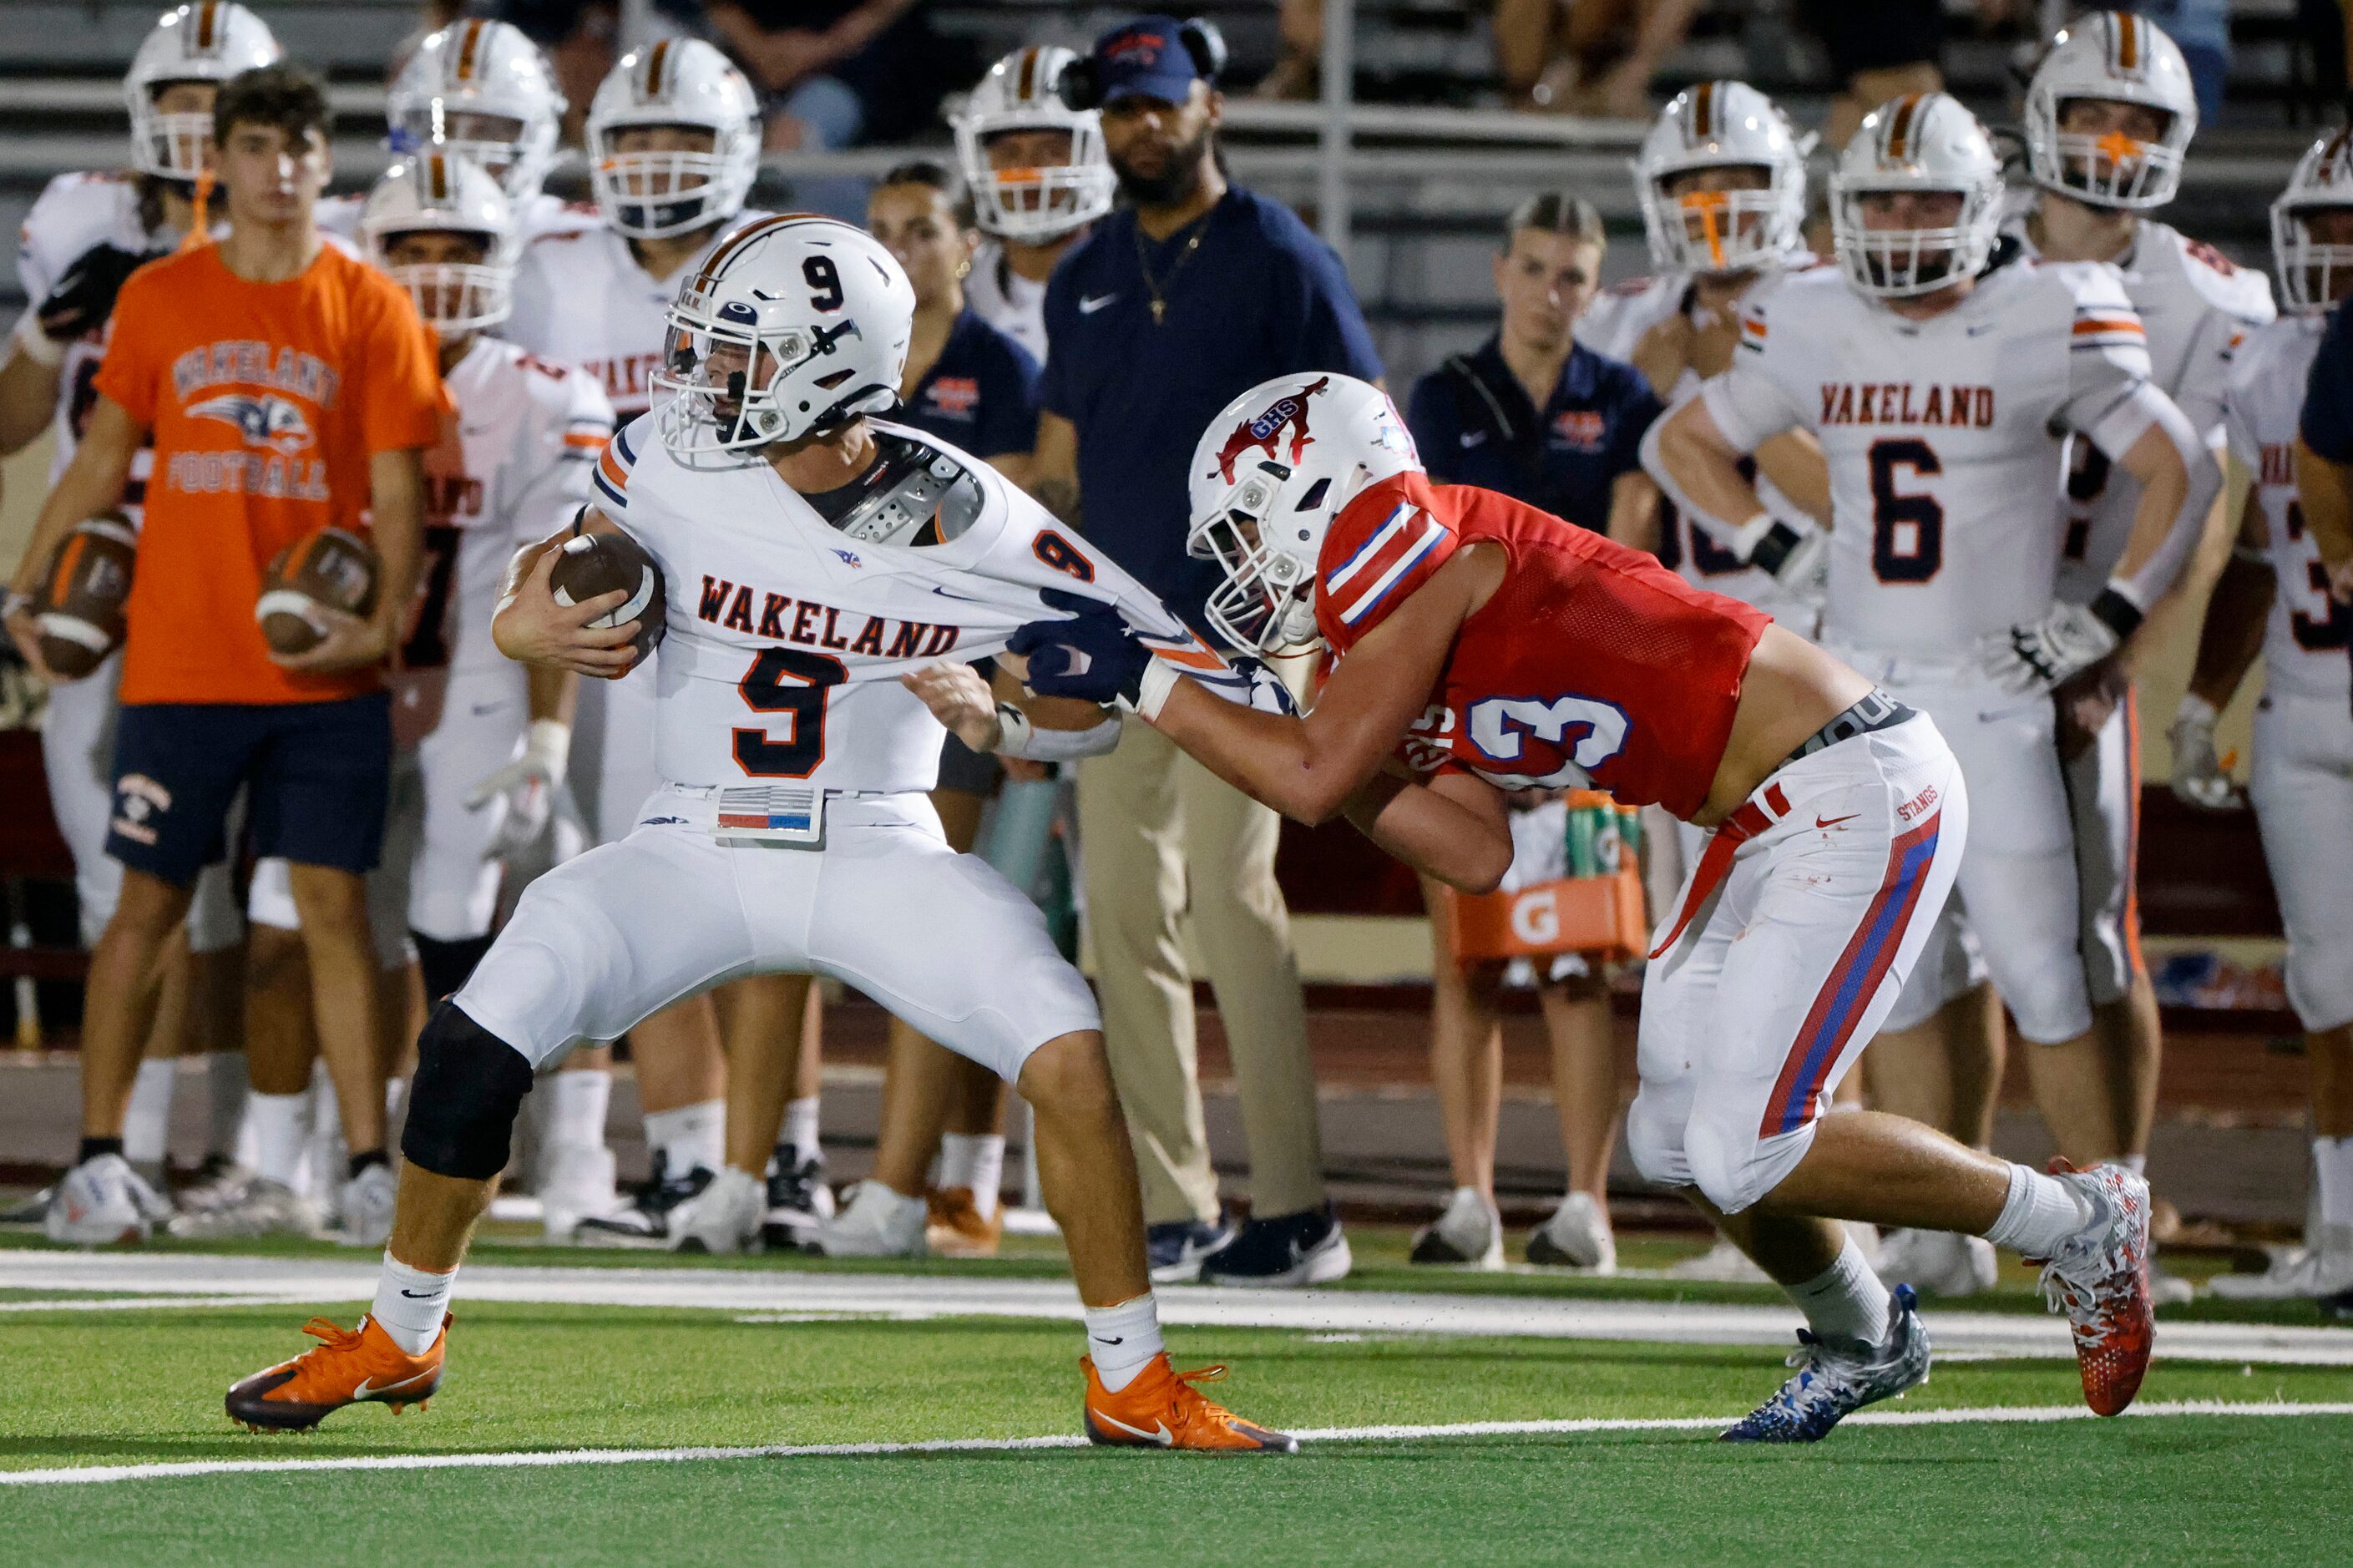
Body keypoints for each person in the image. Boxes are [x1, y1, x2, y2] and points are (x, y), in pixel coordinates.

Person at [222, 215, 1298, 1456]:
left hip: (875, 846)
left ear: (832, 363)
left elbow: (1138, 665)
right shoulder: (665, 455)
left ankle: (1132, 1377)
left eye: (741, 355)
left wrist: (1014, 712)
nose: (706, 379)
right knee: (475, 1035)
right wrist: (528, 627)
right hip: (688, 841)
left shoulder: (968, 516)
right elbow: (561, 568)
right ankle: (401, 1332)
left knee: (1065, 1054)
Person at [992, 368, 2157, 1439]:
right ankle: (1864, 1336)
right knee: (1671, 1140)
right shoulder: (1387, 611)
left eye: (1249, 526)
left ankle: (2076, 1221)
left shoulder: (1418, 560)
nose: (1245, 562)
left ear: (1318, 491)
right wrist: (1329, 753)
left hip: (1853, 782)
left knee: (1747, 1145)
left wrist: (1157, 684)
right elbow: (1469, 848)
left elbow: (1303, 779)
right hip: (1761, 816)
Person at [1647, 94, 2221, 1197]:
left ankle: (2115, 1229)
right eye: (1879, 199)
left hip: (1990, 688)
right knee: (1901, 986)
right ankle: (1935, 1237)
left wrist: (2101, 620)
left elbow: (2179, 467)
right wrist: (1784, 548)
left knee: (2046, 977)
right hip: (1864, 697)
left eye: (1926, 198)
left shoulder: (2049, 308)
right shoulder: (1813, 314)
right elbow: (1680, 441)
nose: (1903, 220)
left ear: (1981, 205)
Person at [3, 63, 444, 1247]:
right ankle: (102, 1161)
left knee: (335, 912)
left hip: (320, 673)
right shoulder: (158, 297)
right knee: (143, 907)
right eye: (256, 146)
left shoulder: (370, 303)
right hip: (182, 660)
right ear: (224, 160)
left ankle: (362, 1166)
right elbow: (98, 463)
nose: (279, 169)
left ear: (324, 163)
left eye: (300, 148)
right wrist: (23, 590)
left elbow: (401, 489)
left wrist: (385, 618)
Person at [1875, 14, 2270, 1297]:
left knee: (2088, 945)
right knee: (1931, 945)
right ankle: (1951, 1207)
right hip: (1943, 641)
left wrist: (2117, 650)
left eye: (2139, 124)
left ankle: (2115, 1212)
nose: (2107, 146)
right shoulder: (1956, 247)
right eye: (2089, 116)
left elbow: (2210, 497)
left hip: (2080, 649)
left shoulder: (2213, 299)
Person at [181, 156, 621, 1240]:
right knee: (284, 924)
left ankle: (423, 1165)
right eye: (410, 250)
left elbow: (559, 572)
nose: (432, 272)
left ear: (501, 259)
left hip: (472, 669)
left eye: (458, 248)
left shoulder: (545, 393)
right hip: (336, 677)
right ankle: (277, 1161)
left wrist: (550, 728)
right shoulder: (319, 370)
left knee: (445, 931)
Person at [1030, 14, 1383, 1287]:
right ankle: (1174, 1205)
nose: (1141, 128)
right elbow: (1061, 470)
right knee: (1120, 918)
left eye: (1159, 105)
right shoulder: (1079, 276)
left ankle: (1294, 1207)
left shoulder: (1280, 255)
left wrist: (1342, 628)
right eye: (1121, 110)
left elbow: (1363, 439)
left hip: (1250, 636)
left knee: (1232, 902)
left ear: (1209, 108)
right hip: (1117, 639)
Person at [505, 37, 815, 1249]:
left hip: (759, 618)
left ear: (733, 147)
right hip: (608, 619)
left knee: (771, 895)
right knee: (650, 880)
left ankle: (777, 1161)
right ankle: (695, 1162)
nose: (652, 163)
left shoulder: (788, 264)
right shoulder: (553, 260)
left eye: (681, 138)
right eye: (634, 137)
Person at [0, 1, 276, 1202]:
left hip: (245, 568)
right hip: (110, 572)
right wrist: (49, 326)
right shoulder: (83, 220)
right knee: (126, 875)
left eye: (224, 108)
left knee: (242, 882)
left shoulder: (309, 236)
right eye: (180, 104)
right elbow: (18, 425)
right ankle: (137, 1154)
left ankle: (238, 1151)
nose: (201, 130)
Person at [1399, 192, 1659, 1270]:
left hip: (1584, 711)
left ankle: (1584, 1203)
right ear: (1500, 271)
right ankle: (1470, 1198)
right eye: (1537, 268)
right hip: (1465, 703)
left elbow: (1633, 558)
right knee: (1466, 958)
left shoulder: (1623, 396)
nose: (1553, 292)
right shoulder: (1442, 395)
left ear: (1593, 290)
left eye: (1574, 276)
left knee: (1577, 960)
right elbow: (1414, 553)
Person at [814, 159, 1043, 1257]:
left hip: (953, 673)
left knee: (937, 922)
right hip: (850, 668)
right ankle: (926, 1183)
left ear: (966, 246)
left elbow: (971, 529)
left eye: (921, 229)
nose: (899, 249)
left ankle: (911, 1186)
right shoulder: (847, 366)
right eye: (881, 231)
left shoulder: (1000, 365)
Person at [2169, 135, 2353, 1301]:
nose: (2332, 244)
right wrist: (2198, 697)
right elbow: (2247, 552)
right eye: (2319, 222)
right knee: (2328, 980)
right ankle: (2339, 1235)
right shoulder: (2266, 363)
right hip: (2300, 703)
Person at [951, 44, 1115, 363]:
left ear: (1098, 152)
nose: (1027, 171)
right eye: (1009, 152)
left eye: (1051, 150)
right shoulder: (956, 287)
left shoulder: (1138, 279)